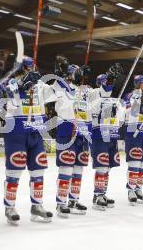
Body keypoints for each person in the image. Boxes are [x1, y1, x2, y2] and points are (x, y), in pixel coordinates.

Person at [0, 56, 54, 225]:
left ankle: (37, 205)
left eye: (34, 68)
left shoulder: (40, 85)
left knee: (38, 172)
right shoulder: (9, 84)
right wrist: (6, 92)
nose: (33, 72)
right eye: (30, 69)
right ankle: (10, 207)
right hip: (16, 132)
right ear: (21, 69)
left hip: (36, 133)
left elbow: (58, 93)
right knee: (14, 172)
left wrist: (59, 74)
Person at [52, 56, 92, 217]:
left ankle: (73, 200)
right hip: (67, 129)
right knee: (66, 168)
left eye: (79, 73)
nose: (78, 75)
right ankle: (61, 203)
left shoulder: (85, 90)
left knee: (78, 169)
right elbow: (55, 89)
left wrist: (109, 81)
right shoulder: (62, 87)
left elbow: (102, 94)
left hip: (83, 130)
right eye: (75, 73)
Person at [89, 65, 124, 210]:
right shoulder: (93, 94)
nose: (108, 85)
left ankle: (102, 193)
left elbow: (121, 118)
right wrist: (104, 111)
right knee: (102, 166)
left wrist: (116, 112)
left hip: (112, 135)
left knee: (108, 167)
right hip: (99, 135)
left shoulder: (113, 99)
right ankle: (97, 195)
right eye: (106, 82)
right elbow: (92, 112)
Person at [124, 75, 143, 205]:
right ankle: (131, 190)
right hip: (133, 131)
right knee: (135, 162)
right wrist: (137, 106)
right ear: (137, 84)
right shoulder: (130, 95)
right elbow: (125, 111)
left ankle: (138, 189)